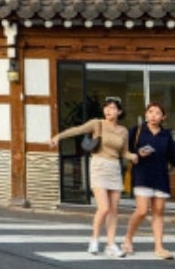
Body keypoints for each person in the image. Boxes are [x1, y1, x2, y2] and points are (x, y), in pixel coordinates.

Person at [51, 96, 131, 256]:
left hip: (114, 168)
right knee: (104, 208)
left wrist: (133, 156)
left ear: (119, 111)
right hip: (98, 166)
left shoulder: (123, 131)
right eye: (107, 107)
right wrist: (58, 137)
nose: (109, 110)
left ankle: (111, 244)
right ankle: (94, 240)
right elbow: (77, 130)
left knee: (114, 209)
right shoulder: (97, 124)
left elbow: (124, 152)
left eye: (113, 108)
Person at [123, 102, 175, 259]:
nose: (153, 115)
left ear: (163, 117)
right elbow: (125, 150)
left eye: (157, 113)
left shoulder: (166, 135)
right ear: (146, 114)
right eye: (150, 112)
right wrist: (136, 154)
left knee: (159, 211)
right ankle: (127, 239)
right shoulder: (137, 131)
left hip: (160, 176)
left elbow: (173, 156)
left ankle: (159, 247)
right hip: (142, 175)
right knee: (142, 210)